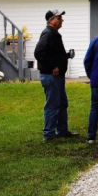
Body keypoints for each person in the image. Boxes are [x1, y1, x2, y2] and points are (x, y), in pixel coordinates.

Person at [34, 9, 77, 141]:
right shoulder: (48, 34)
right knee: (52, 105)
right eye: (58, 18)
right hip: (51, 77)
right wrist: (53, 66)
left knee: (62, 103)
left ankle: (62, 131)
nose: (61, 20)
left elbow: (52, 53)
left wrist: (65, 56)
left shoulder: (54, 34)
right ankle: (49, 134)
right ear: (51, 20)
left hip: (57, 77)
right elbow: (39, 53)